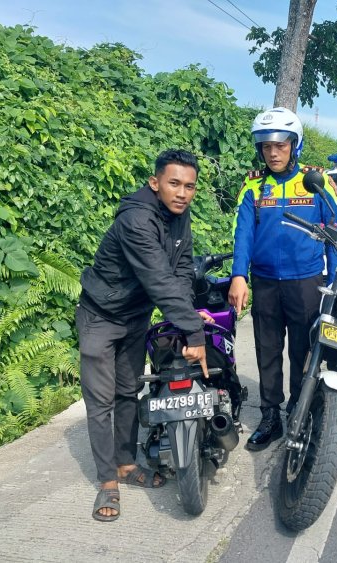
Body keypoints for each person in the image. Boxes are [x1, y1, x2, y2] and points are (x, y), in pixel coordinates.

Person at [76, 149, 211, 522]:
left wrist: (185, 315)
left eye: (189, 186)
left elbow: (181, 271)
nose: (182, 193)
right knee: (100, 401)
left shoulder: (179, 216)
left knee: (127, 390)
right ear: (155, 183)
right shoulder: (136, 219)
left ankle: (124, 464)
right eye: (174, 184)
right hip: (100, 317)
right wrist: (192, 330)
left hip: (135, 316)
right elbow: (158, 278)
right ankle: (107, 481)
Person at [228, 107, 337, 451]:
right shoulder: (253, 185)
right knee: (267, 350)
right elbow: (242, 233)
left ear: (295, 145)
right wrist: (238, 276)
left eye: (280, 145)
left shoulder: (316, 181)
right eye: (266, 146)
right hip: (264, 282)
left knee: (303, 350)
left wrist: (336, 281)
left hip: (307, 281)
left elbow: (335, 232)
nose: (273, 152)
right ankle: (270, 415)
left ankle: (298, 407)